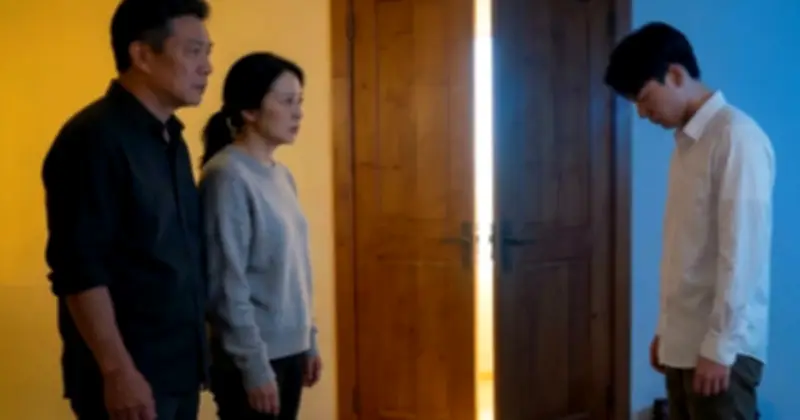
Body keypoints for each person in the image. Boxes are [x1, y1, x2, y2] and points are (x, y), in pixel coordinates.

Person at [41, 1, 213, 419]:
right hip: (131, 377)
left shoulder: (172, 139)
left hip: (179, 369)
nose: (207, 67)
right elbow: (80, 271)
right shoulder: (93, 139)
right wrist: (118, 371)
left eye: (208, 52)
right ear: (142, 55)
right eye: (193, 51)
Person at [604, 22, 774, 420]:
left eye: (645, 99)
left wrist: (720, 347)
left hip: (722, 353)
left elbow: (742, 255)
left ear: (676, 75)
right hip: (684, 345)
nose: (642, 113)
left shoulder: (736, 137)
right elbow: (687, 252)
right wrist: (667, 332)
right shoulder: (687, 145)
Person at [199, 52, 322, 420]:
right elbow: (226, 284)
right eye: (287, 101)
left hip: (289, 351)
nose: (298, 113)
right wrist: (253, 366)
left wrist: (308, 338)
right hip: (253, 357)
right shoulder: (227, 176)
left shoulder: (281, 175)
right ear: (250, 111)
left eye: (300, 101)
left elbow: (295, 270)